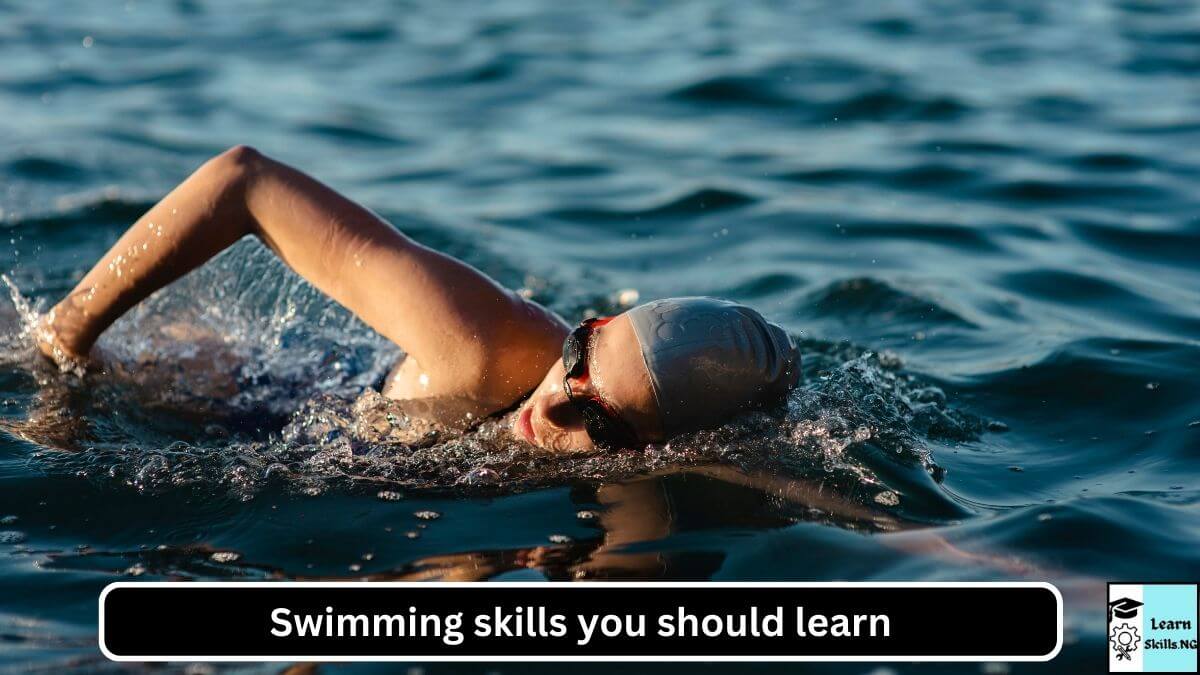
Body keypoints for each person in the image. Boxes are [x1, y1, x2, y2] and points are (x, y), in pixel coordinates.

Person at [33, 146, 800, 452]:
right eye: (577, 357)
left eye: (596, 418)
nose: (553, 409)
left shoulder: (667, 453)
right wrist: (65, 343)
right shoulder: (486, 345)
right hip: (217, 391)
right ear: (587, 325)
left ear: (655, 449)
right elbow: (243, 181)